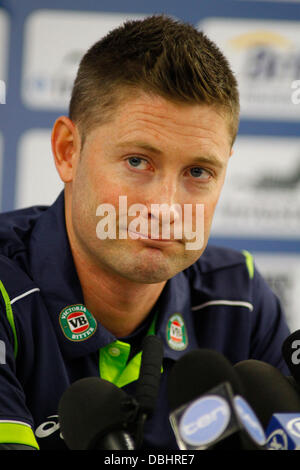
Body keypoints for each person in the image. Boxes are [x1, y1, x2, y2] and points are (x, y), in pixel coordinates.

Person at [0, 15, 290, 450]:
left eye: (198, 171)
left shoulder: (241, 298)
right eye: (138, 161)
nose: (165, 208)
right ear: (67, 152)